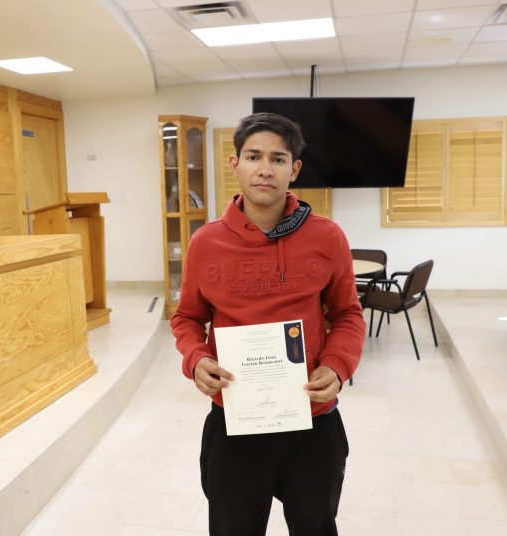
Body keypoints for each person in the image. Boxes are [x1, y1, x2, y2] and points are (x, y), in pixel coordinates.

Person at [171, 112, 365, 535]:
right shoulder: (206, 242)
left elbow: (348, 314)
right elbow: (187, 317)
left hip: (312, 419)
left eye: (278, 159)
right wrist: (195, 359)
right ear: (235, 164)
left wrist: (337, 366)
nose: (265, 169)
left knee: (316, 526)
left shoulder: (327, 236)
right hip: (234, 420)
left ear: (294, 170)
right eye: (253, 156)